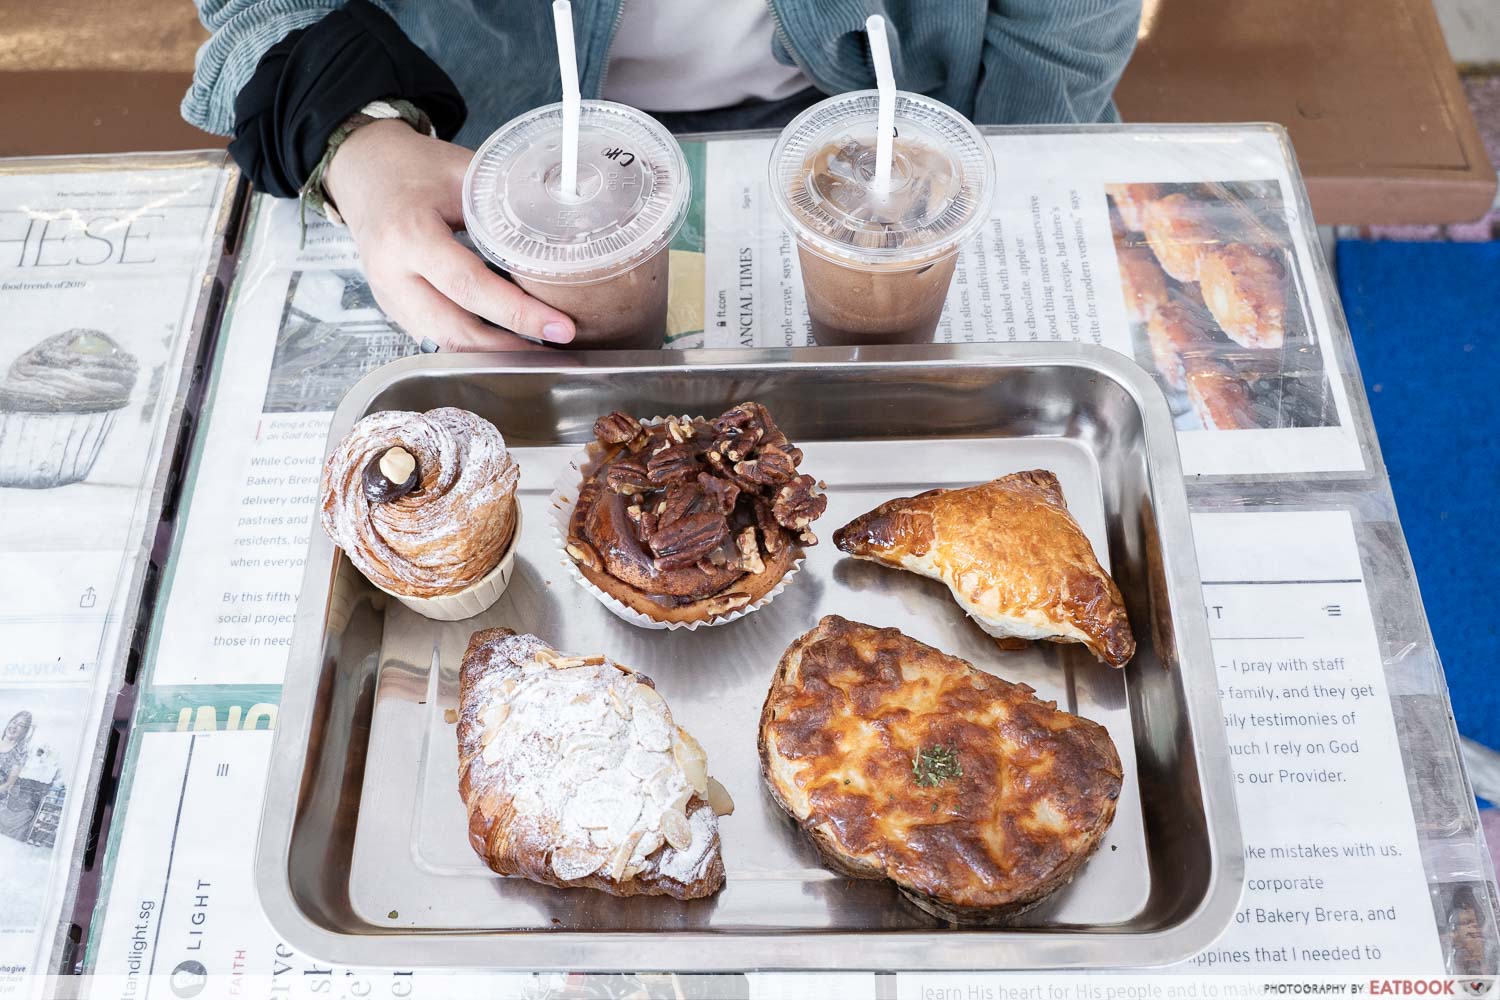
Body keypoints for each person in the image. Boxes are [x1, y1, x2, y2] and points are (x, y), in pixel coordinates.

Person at [185, 0, 1141, 353]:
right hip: (485, 143)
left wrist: (1024, 148)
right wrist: (356, 136)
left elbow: (1066, 27)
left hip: (918, 113)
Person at [0, 710, 34, 840]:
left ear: (24, 732)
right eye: (14, 722)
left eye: (20, 725)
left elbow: (8, 784)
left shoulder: (19, 753)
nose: (14, 727)